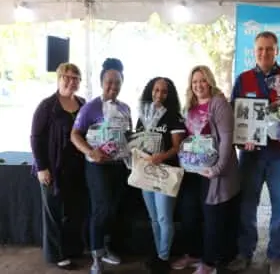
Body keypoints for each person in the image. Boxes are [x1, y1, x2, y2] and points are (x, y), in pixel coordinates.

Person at [228, 31, 280, 274]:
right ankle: (245, 252)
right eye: (260, 49)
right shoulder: (243, 79)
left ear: (277, 51)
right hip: (251, 156)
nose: (264, 53)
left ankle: (275, 256)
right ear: (254, 52)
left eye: (269, 49)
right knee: (247, 206)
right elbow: (234, 116)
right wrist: (241, 141)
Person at [172, 65, 240, 274]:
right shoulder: (190, 107)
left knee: (213, 217)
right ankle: (193, 254)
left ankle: (209, 263)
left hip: (215, 174)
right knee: (190, 213)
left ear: (209, 81)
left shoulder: (219, 104)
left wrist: (218, 168)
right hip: (194, 172)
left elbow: (227, 139)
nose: (198, 85)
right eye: (194, 82)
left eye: (202, 80)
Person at [71, 58, 131, 274]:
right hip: (97, 167)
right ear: (101, 82)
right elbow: (74, 135)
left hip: (119, 166)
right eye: (109, 82)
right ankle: (95, 257)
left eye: (117, 83)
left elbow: (127, 136)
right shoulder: (90, 107)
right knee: (101, 209)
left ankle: (104, 247)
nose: (113, 87)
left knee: (112, 209)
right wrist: (90, 151)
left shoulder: (125, 108)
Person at [30, 63, 87, 270]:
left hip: (77, 169)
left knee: (74, 212)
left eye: (76, 78)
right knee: (53, 213)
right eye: (67, 77)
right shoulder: (47, 106)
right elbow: (36, 138)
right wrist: (41, 168)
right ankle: (56, 255)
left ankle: (72, 249)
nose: (72, 81)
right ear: (59, 78)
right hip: (52, 168)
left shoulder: (83, 104)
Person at [136, 77, 186, 274]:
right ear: (150, 91)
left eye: (164, 91)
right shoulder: (143, 115)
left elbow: (177, 147)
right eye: (156, 90)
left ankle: (163, 258)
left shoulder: (174, 116)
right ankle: (158, 254)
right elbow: (138, 141)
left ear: (169, 94)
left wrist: (161, 156)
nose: (159, 94)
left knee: (165, 218)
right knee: (154, 219)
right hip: (146, 172)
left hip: (165, 173)